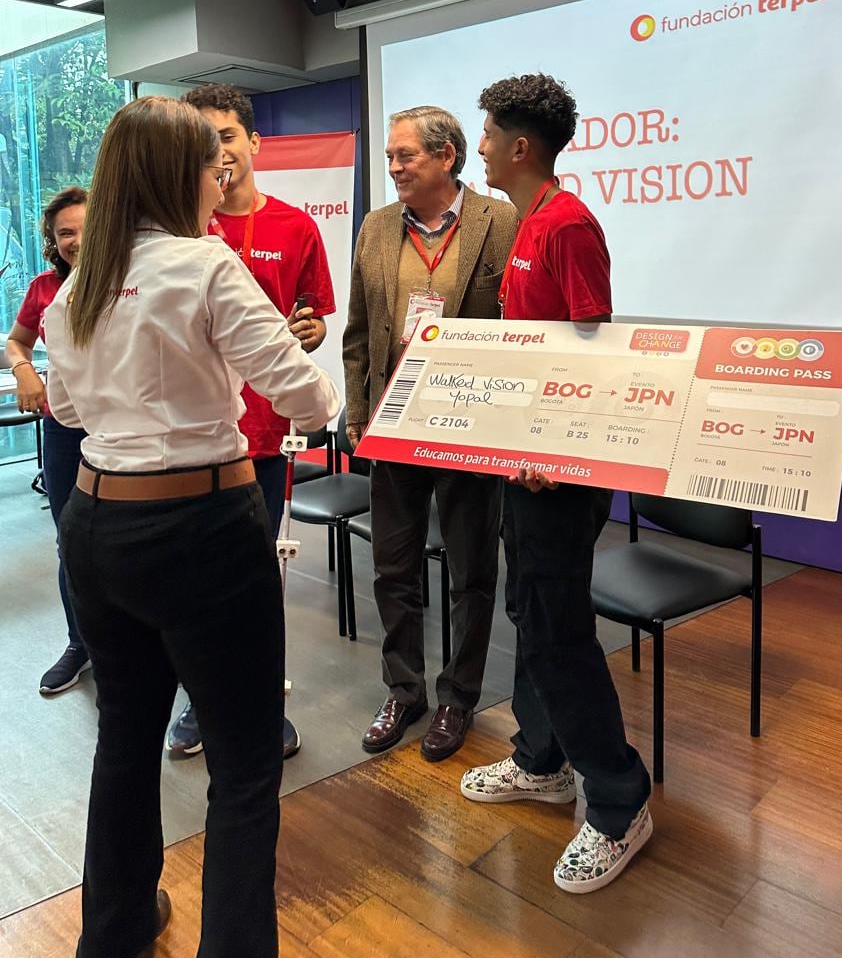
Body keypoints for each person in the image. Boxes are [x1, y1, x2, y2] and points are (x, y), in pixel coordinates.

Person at [45, 96, 340, 958]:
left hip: (96, 526)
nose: (224, 178)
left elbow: (66, 406)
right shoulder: (205, 266)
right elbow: (308, 399)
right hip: (203, 527)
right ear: (183, 176)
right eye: (213, 165)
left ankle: (117, 931)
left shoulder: (76, 287)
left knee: (126, 740)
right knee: (245, 764)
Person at [461, 73, 653, 894]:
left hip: (558, 475)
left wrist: (556, 449)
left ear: (520, 147)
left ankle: (618, 800)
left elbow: (594, 352)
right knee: (527, 614)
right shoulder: (526, 224)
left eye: (487, 136)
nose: (479, 150)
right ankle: (541, 761)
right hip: (521, 462)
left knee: (555, 631)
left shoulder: (568, 224)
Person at [168, 82, 336, 761]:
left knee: (257, 580)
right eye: (204, 142)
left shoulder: (296, 227)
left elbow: (315, 317)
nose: (219, 152)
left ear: (254, 142)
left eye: (227, 136)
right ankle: (196, 707)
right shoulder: (178, 232)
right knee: (193, 579)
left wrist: (311, 329)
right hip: (191, 437)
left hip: (263, 436)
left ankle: (260, 707)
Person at [343, 106, 516, 760]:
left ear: (446, 157)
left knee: (471, 569)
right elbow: (360, 331)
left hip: (469, 422)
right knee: (393, 566)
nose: (393, 168)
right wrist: (358, 410)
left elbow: (521, 326)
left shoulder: (499, 223)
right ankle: (404, 688)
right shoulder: (377, 227)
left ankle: (457, 697)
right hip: (394, 419)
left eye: (405, 156)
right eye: (389, 157)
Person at [6, 186, 90, 694]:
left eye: (85, 228)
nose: (76, 240)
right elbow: (15, 340)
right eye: (65, 233)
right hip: (64, 431)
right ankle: (80, 644)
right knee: (71, 540)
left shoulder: (132, 279)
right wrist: (23, 370)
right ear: (52, 240)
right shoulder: (43, 288)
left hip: (124, 432)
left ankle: (140, 648)